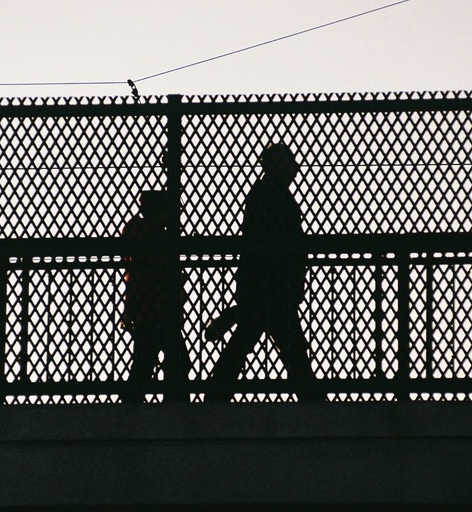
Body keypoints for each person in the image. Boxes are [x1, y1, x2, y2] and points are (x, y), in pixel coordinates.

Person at [205, 143, 323, 402]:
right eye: (289, 162)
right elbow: (282, 242)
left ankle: (215, 395)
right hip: (273, 284)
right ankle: (312, 401)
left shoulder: (264, 193)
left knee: (250, 338)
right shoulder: (274, 195)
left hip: (263, 283)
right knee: (288, 344)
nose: (294, 168)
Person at [120, 189, 189, 403]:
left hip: (145, 308)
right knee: (172, 360)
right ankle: (174, 404)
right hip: (158, 308)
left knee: (145, 360)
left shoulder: (138, 232)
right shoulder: (155, 235)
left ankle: (133, 404)